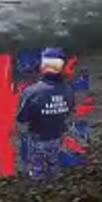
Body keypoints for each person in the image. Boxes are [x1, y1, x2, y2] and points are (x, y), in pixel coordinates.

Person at [16, 47, 75, 181]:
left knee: (37, 161)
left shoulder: (31, 91)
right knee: (53, 158)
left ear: (42, 67)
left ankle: (38, 179)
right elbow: (70, 110)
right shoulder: (68, 90)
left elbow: (22, 118)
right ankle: (53, 175)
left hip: (39, 136)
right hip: (58, 134)